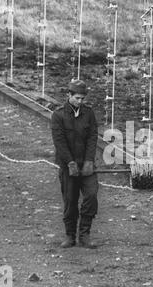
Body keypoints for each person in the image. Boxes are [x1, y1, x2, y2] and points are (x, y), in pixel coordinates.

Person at [51, 80, 99, 249]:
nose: (80, 101)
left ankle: (85, 234)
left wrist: (89, 161)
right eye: (77, 98)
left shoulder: (89, 113)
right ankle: (70, 235)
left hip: (86, 166)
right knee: (70, 201)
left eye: (82, 98)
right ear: (69, 95)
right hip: (68, 166)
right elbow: (59, 142)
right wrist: (70, 163)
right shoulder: (58, 115)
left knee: (91, 196)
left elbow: (93, 137)